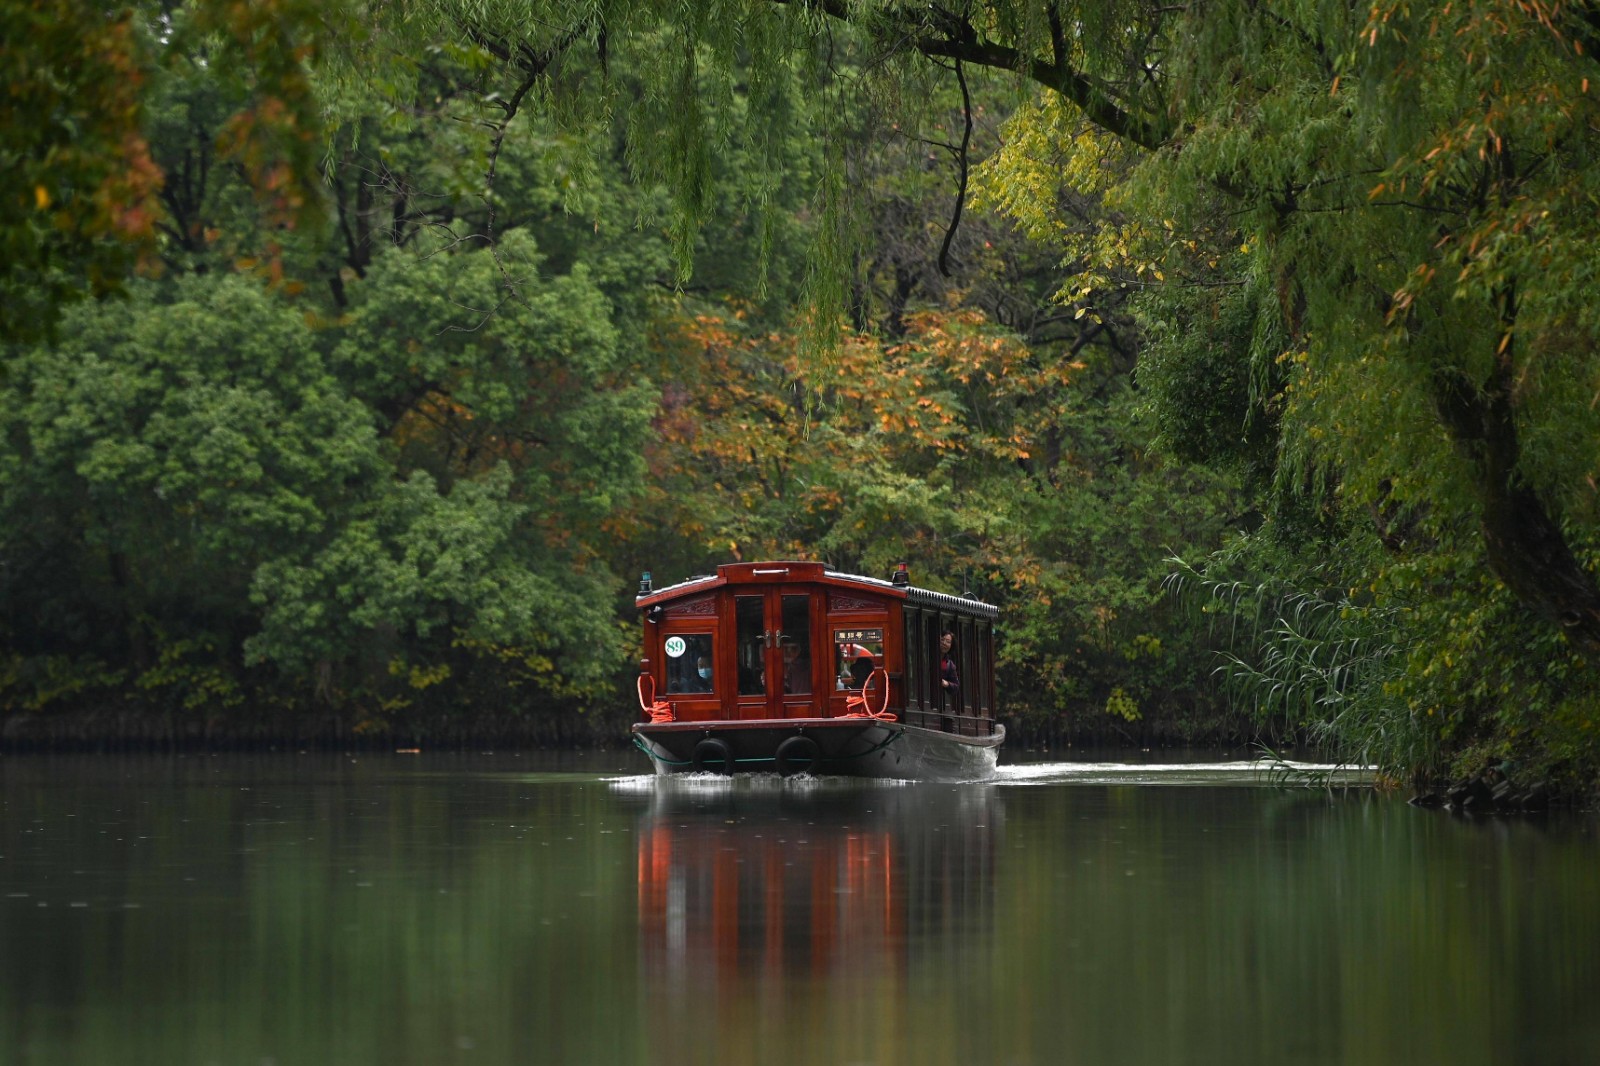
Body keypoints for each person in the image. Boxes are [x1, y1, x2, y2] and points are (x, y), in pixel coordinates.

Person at [938, 629, 959, 704]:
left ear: (951, 645)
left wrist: (946, 684)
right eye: (942, 640)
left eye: (948, 642)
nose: (944, 643)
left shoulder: (949, 664)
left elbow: (956, 687)